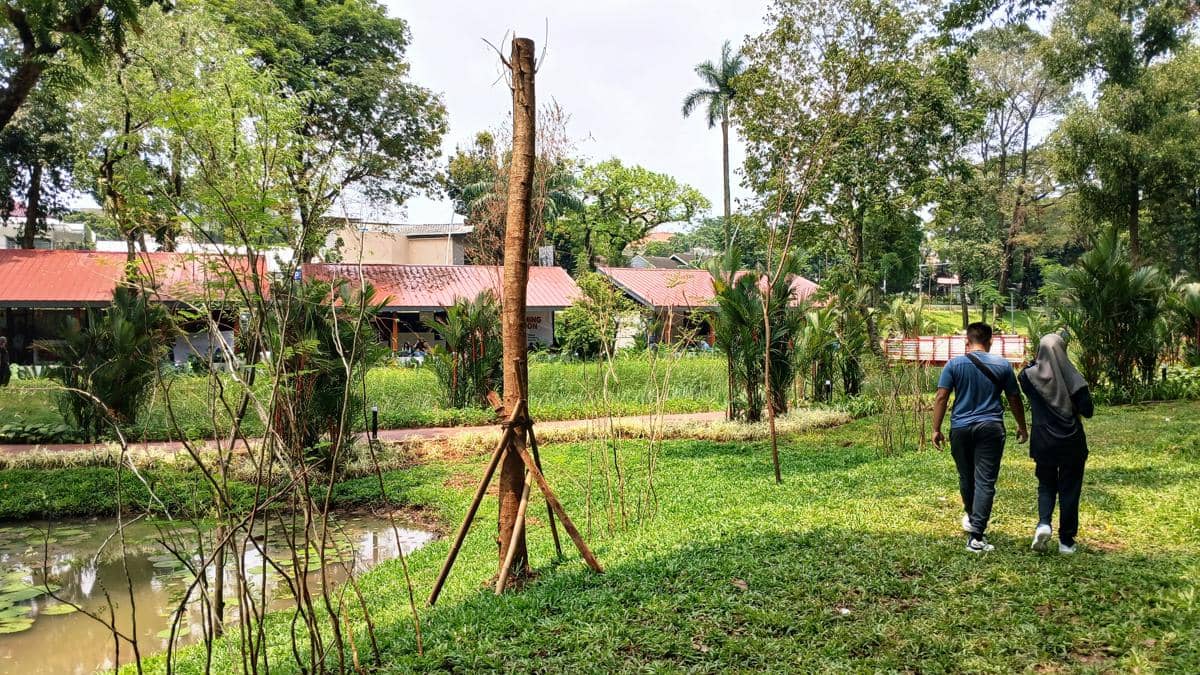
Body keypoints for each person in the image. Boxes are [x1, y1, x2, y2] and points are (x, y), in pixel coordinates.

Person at [932, 322, 1029, 553]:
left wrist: (935, 429)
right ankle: (976, 535)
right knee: (985, 481)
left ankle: (972, 517)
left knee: (966, 477)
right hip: (991, 428)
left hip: (961, 428)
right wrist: (1022, 426)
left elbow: (941, 397)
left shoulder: (954, 364)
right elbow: (1014, 398)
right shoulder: (1003, 365)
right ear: (990, 341)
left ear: (967, 341)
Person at [1019, 333, 1093, 555]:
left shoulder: (1027, 377)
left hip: (1043, 441)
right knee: (1070, 489)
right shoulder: (1075, 379)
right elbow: (1088, 411)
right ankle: (1066, 541)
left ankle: (1043, 524)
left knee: (1046, 484)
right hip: (1072, 442)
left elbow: (1025, 374)